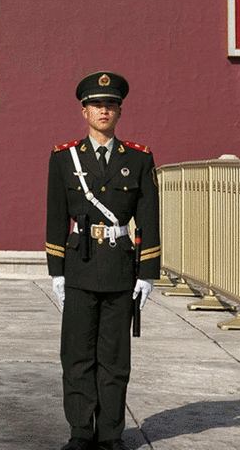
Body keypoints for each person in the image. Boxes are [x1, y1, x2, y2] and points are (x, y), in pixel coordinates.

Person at [46, 71, 161, 450]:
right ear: (84, 111)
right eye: (97, 105)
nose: (104, 111)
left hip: (118, 269)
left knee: (114, 358)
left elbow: (148, 217)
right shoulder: (64, 158)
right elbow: (55, 215)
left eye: (110, 105)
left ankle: (111, 434)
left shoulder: (139, 158)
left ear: (119, 111)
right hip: (80, 264)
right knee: (77, 355)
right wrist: (57, 271)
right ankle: (80, 432)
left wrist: (147, 273)